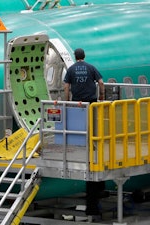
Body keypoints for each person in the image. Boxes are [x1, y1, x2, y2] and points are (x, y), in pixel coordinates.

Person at [63, 48, 106, 217]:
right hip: (92, 102)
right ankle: (93, 146)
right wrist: (102, 97)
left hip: (78, 103)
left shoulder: (71, 69)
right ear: (84, 56)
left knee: (79, 128)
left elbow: (66, 87)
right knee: (94, 128)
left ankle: (81, 145)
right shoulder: (90, 67)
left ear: (75, 57)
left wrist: (67, 102)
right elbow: (101, 82)